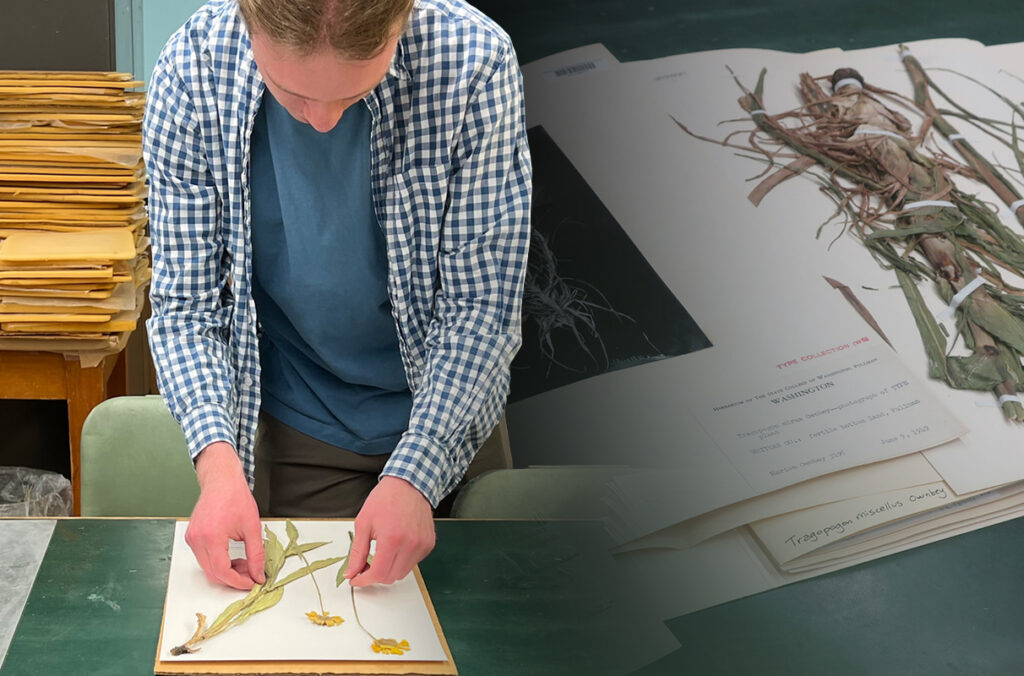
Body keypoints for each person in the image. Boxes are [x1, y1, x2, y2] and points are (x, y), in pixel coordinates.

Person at [142, 0, 531, 591]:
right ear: (249, 25)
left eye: (354, 92)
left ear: (401, 25)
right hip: (305, 422)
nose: (322, 120)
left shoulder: (474, 63)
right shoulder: (193, 70)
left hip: (455, 414)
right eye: (289, 91)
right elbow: (187, 306)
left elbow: (479, 312)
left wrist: (418, 472)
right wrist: (219, 470)